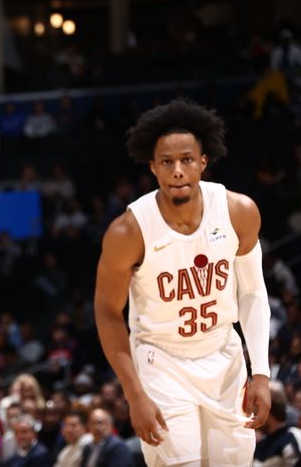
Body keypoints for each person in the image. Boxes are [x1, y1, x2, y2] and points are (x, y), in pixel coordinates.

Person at [94, 100, 272, 466]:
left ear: (204, 161)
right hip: (162, 361)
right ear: (153, 166)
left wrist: (262, 373)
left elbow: (252, 292)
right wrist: (133, 392)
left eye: (187, 160)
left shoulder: (239, 212)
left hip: (224, 354)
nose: (178, 170)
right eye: (167, 162)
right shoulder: (128, 231)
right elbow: (108, 312)